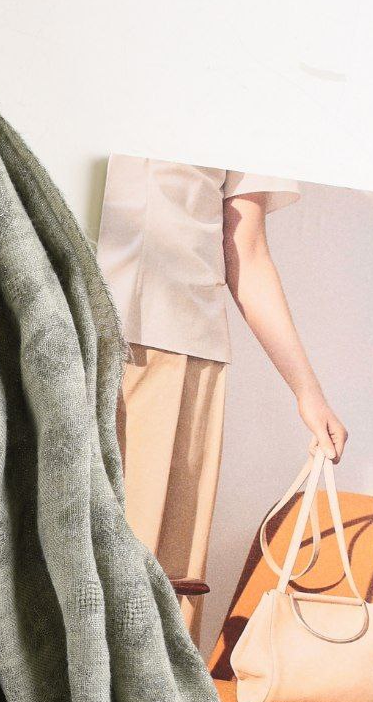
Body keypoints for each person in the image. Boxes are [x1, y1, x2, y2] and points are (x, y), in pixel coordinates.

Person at [96, 157, 349, 642]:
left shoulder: (246, 116)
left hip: (177, 345)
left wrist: (308, 391)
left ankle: (149, 691)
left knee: (151, 573)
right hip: (48, 322)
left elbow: (247, 252)